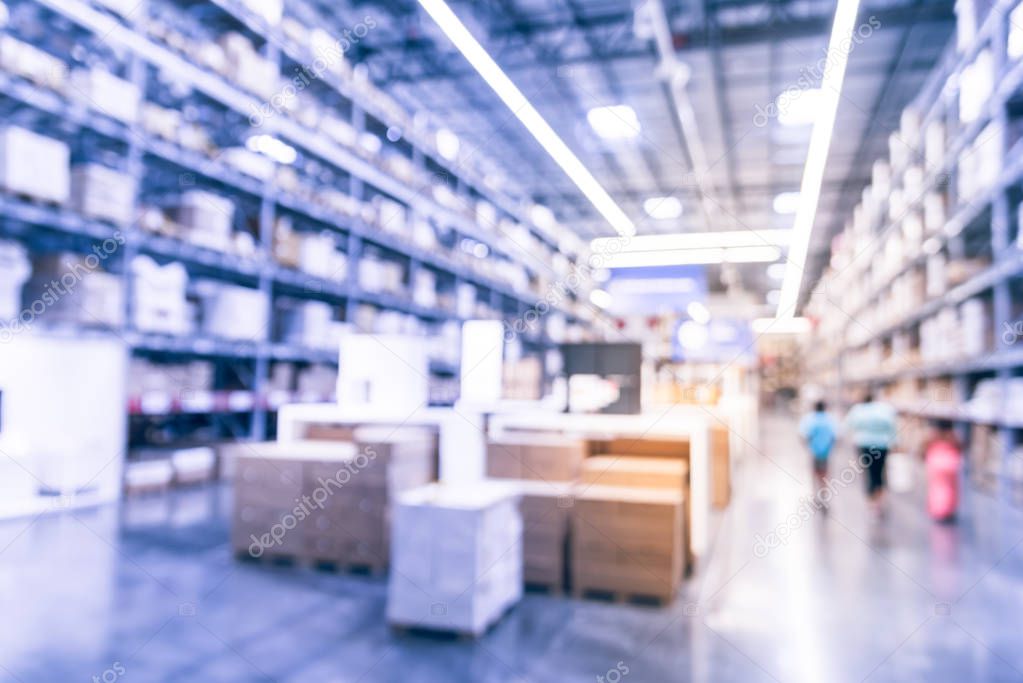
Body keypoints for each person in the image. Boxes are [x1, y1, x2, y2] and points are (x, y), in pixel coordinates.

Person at [845, 391, 898, 518]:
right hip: (882, 445)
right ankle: (879, 499)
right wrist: (896, 442)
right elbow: (892, 426)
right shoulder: (884, 409)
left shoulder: (857, 410)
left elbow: (848, 425)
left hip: (864, 444)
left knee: (869, 472)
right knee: (879, 472)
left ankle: (872, 503)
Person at [922, 419, 962, 523]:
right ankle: (948, 510)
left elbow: (924, 447)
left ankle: (939, 511)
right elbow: (960, 447)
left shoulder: (933, 437)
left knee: (936, 488)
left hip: (935, 462)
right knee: (951, 488)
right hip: (951, 463)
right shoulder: (953, 437)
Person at [799, 400, 837, 508]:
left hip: (814, 451)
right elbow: (835, 436)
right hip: (826, 452)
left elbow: (804, 435)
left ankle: (816, 495)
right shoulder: (830, 419)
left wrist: (808, 446)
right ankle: (823, 495)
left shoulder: (810, 419)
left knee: (814, 473)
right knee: (824, 474)